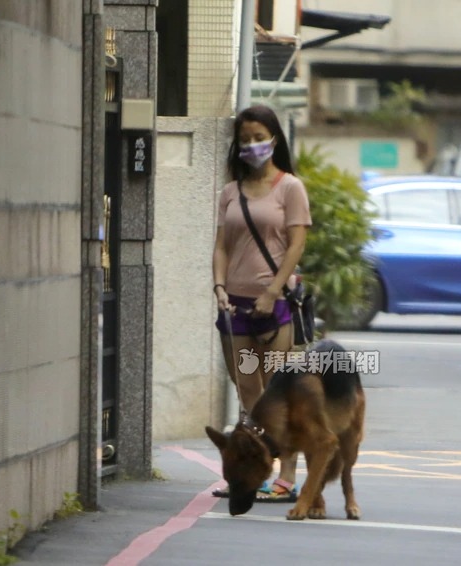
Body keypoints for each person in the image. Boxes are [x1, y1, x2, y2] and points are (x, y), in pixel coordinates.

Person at [211, 105, 312, 500]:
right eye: (245, 139)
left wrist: (272, 292)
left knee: (277, 393)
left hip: (275, 306)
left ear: (273, 139)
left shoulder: (290, 187)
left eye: (258, 137)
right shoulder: (230, 192)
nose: (252, 145)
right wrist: (219, 286)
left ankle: (287, 477)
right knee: (248, 392)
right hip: (234, 309)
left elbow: (297, 244)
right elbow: (222, 246)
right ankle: (256, 472)